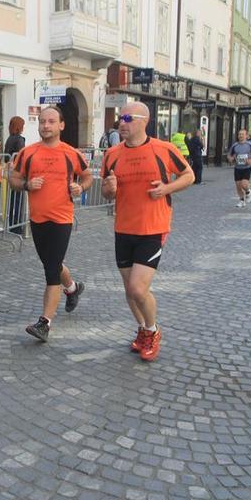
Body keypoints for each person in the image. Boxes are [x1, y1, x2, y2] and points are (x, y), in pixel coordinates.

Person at [101, 102, 195, 362]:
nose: (122, 123)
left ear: (145, 120)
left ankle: (153, 331)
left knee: (138, 288)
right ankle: (143, 329)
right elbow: (107, 193)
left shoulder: (164, 149)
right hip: (124, 228)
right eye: (120, 118)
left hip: (153, 227)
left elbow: (189, 175)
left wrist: (166, 189)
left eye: (128, 118)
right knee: (129, 290)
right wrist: (109, 189)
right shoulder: (112, 154)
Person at [8, 106, 92, 342]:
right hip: (37, 219)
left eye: (51, 121)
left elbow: (87, 176)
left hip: (62, 218)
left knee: (51, 270)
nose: (46, 125)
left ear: (61, 125)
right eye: (43, 121)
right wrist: (27, 185)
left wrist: (80, 187)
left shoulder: (71, 153)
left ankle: (44, 323)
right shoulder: (28, 153)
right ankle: (73, 288)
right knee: (52, 263)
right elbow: (14, 179)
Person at [4, 116, 27, 235]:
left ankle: (13, 224)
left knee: (14, 199)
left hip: (11, 171)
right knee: (18, 199)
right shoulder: (19, 139)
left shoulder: (9, 138)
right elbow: (22, 156)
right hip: (18, 172)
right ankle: (17, 226)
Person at [228, 130, 251, 208]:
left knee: (244, 184)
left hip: (246, 167)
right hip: (237, 168)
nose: (240, 136)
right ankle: (242, 201)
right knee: (238, 186)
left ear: (246, 136)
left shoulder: (250, 145)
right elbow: (229, 154)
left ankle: (248, 191)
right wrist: (230, 158)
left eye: (242, 134)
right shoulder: (235, 145)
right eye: (239, 134)